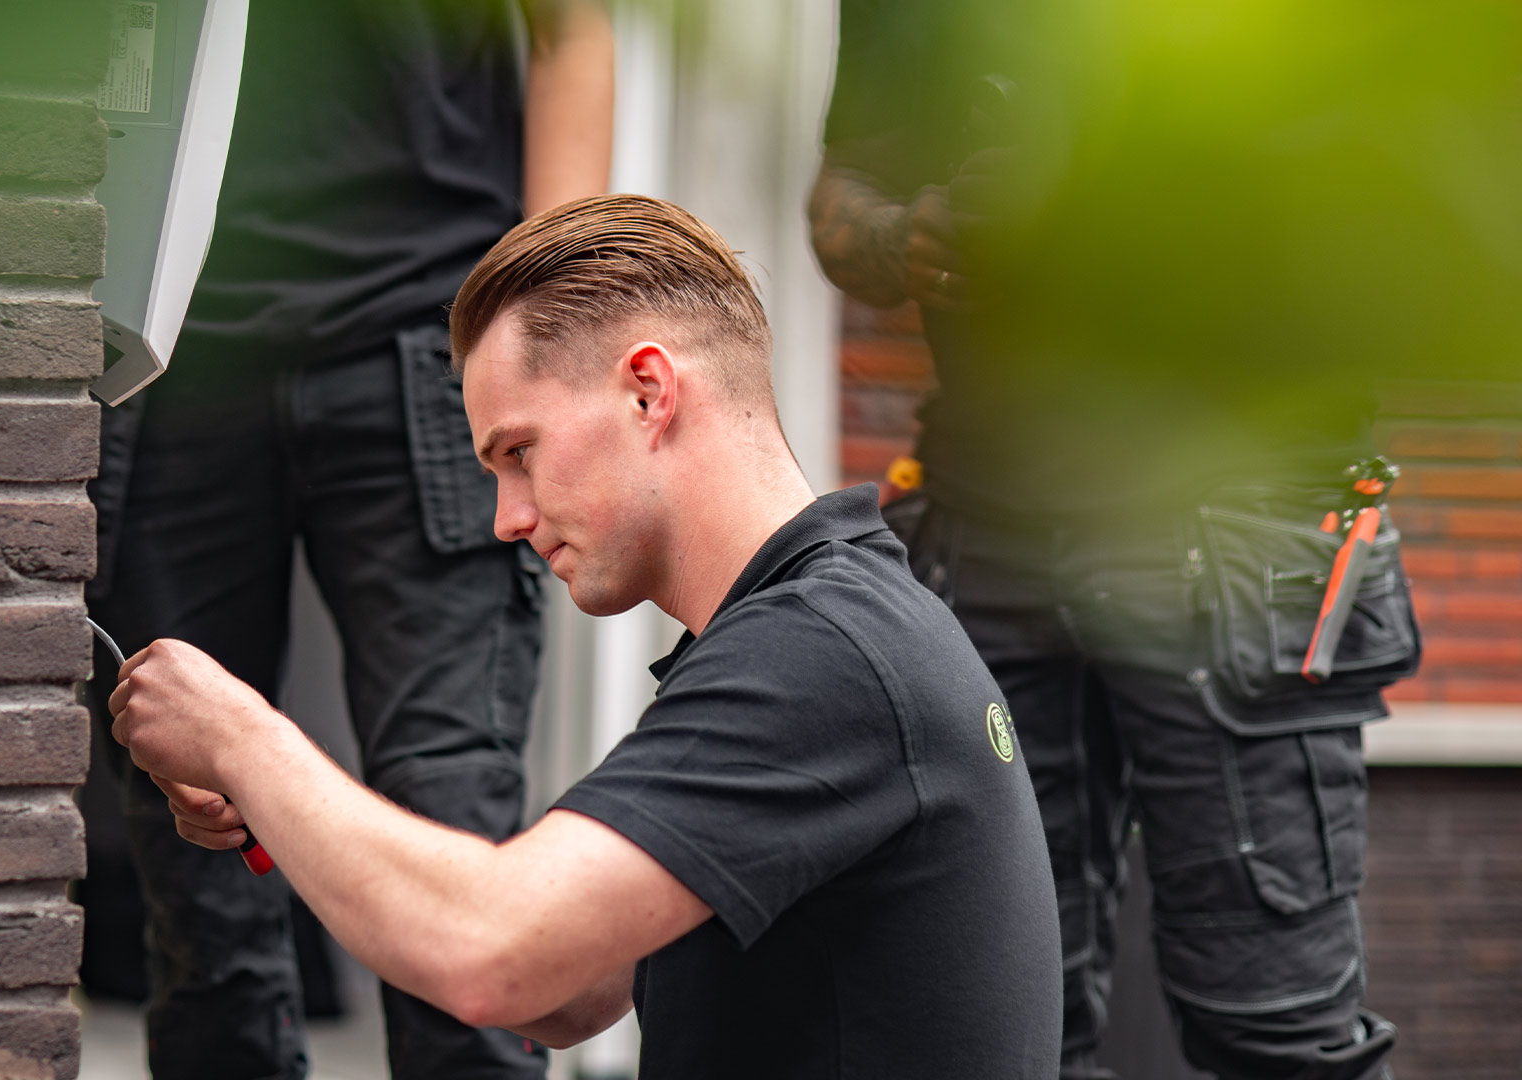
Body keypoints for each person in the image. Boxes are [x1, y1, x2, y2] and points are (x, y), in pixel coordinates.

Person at [107, 194, 1064, 1080]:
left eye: (517, 452)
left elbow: (498, 960)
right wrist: (278, 805)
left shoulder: (819, 653)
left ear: (649, 391)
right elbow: (572, 993)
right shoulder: (812, 626)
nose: (506, 519)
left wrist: (244, 736)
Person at [809, 3, 1424, 1077]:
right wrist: (906, 237)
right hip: (980, 520)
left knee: (1277, 1030)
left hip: (1235, 523)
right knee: (994, 1027)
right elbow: (837, 195)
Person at [84, 3, 613, 1077]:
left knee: (451, 821)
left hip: (429, 336)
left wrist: (543, 336)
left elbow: (573, 28)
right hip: (176, 350)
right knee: (199, 863)